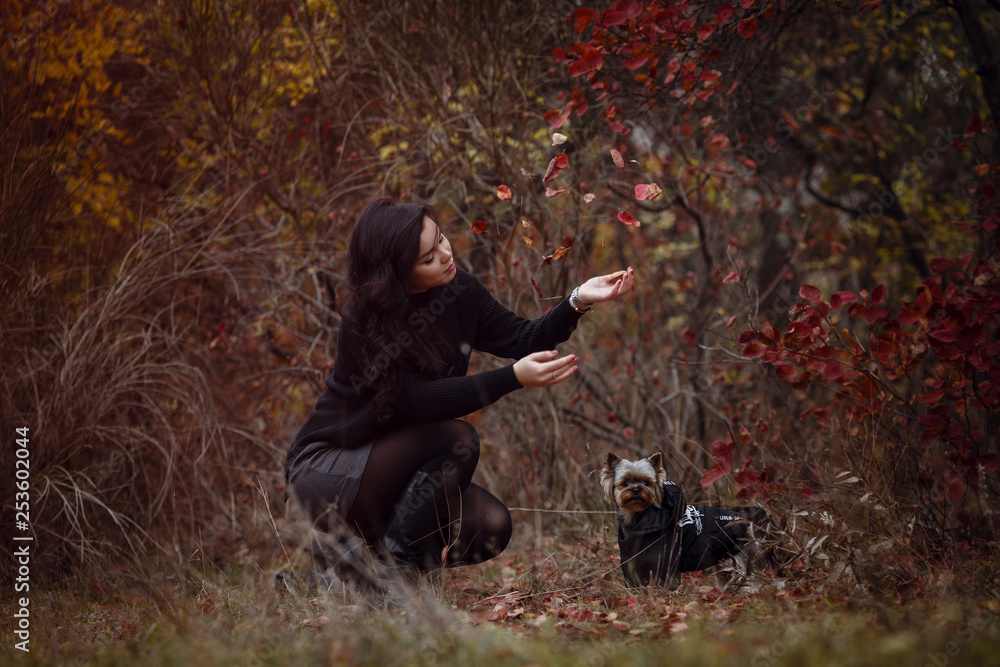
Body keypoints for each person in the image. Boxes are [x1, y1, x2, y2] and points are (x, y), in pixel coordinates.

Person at [284, 197, 634, 584]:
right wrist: (511, 378)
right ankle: (396, 580)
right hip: (329, 471)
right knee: (458, 438)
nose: (445, 255)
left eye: (441, 239)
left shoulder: (459, 291)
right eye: (427, 258)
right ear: (397, 273)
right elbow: (414, 399)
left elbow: (522, 337)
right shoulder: (366, 320)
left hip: (396, 473)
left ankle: (344, 577)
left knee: (491, 525)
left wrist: (577, 300)